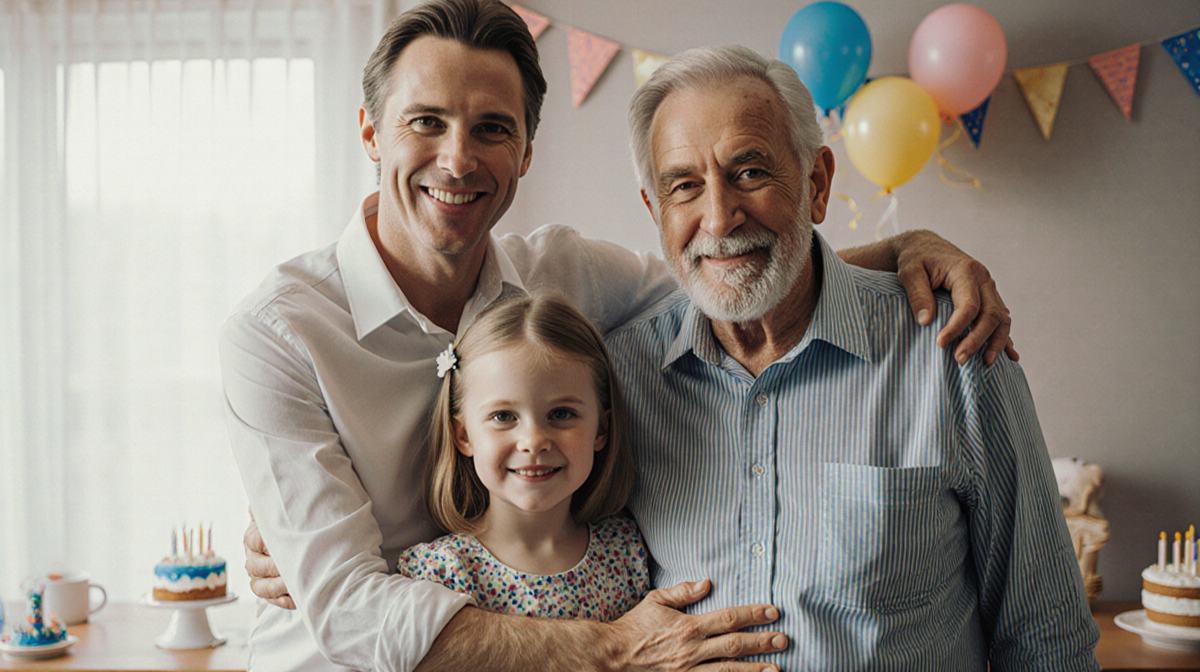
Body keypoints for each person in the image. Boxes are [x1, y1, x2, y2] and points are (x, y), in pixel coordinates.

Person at [223, 1, 1016, 670]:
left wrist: (908, 250)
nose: (457, 158)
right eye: (425, 122)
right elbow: (349, 608)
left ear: (527, 151)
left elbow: (727, 265)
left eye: (492, 128)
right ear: (369, 133)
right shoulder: (280, 332)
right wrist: (608, 650)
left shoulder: (563, 278)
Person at [605, 44, 1099, 670]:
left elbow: (1046, 640)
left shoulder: (954, 349)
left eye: (750, 173)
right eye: (684, 186)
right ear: (655, 209)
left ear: (816, 184)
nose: (720, 217)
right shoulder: (618, 379)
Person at [396, 293, 650, 620]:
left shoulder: (625, 552)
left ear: (601, 429)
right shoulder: (441, 573)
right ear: (463, 435)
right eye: (503, 417)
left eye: (561, 414)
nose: (533, 441)